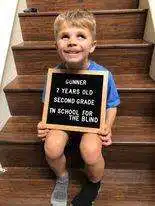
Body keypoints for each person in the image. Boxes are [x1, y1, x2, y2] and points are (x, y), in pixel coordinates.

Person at [37, 9, 120, 206]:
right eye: (64, 36)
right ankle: (62, 177)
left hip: (91, 124)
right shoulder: (54, 75)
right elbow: (49, 105)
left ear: (92, 46)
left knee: (90, 150)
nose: (72, 42)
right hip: (64, 122)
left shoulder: (103, 75)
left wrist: (107, 126)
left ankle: (94, 183)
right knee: (51, 146)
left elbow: (112, 105)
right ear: (56, 45)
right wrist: (44, 124)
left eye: (80, 36)